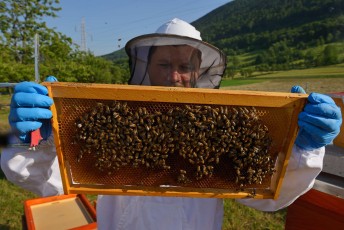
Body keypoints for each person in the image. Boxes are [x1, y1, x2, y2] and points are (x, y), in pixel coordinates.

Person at [1, 18, 342, 230]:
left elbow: (266, 198)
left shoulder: (218, 129)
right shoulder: (117, 118)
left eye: (184, 66)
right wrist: (34, 139)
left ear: (198, 73)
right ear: (147, 68)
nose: (174, 76)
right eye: (164, 64)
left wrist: (305, 150)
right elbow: (46, 182)